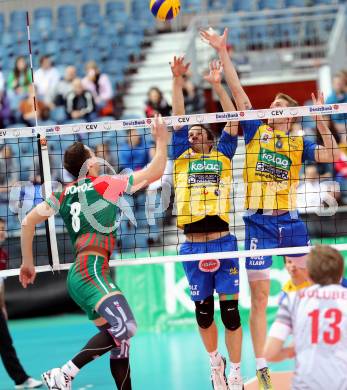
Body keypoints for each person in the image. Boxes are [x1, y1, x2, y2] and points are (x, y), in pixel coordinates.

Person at [200, 27, 340, 389]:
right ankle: (262, 368)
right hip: (258, 226)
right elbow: (237, 90)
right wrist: (222, 50)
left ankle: (317, 354)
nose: (272, 109)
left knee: (311, 288)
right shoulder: (256, 130)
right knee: (259, 297)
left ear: (290, 116)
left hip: (291, 225)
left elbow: (332, 154)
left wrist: (323, 119)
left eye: (279, 107)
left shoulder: (298, 144)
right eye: (272, 106)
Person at [19, 115, 169, 390]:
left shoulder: (64, 194)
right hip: (90, 269)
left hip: (82, 272)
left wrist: (27, 263)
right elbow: (155, 172)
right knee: (127, 326)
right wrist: (161, 140)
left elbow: (27, 221)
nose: (98, 159)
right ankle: (64, 373)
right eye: (94, 156)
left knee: (119, 341)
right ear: (88, 165)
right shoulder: (104, 184)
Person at [171, 55, 242, 389]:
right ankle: (216, 365)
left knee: (230, 314)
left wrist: (217, 85)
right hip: (192, 246)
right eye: (191, 133)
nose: (194, 135)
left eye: (200, 132)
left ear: (210, 139)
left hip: (223, 241)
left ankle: (238, 372)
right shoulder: (180, 158)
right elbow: (177, 118)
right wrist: (177, 80)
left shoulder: (223, 155)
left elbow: (233, 121)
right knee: (203, 313)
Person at [264, 245, 347, 389]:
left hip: (305, 385)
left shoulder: (292, 300)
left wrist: (292, 349)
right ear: (341, 271)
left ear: (308, 272)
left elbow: (270, 353)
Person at [0, 218, 43, 389]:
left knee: (5, 343)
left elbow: (0, 284)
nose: (2, 231)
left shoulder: (3, 254)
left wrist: (2, 308)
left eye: (3, 228)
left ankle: (21, 380)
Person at [325, 71, 347, 144]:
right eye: (336, 83)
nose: (338, 85)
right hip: (335, 130)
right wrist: (335, 127)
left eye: (340, 83)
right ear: (332, 84)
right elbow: (327, 119)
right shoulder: (329, 100)